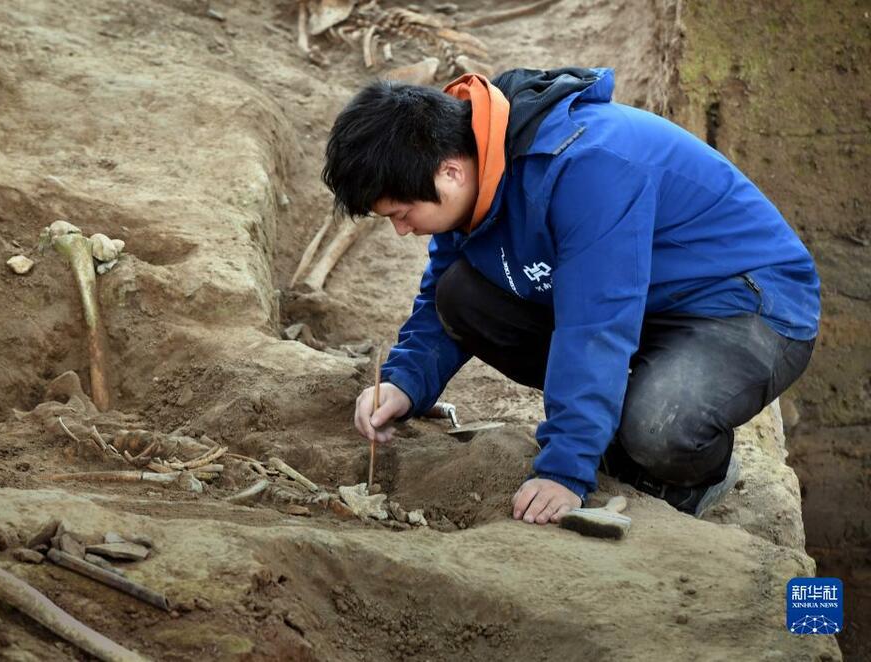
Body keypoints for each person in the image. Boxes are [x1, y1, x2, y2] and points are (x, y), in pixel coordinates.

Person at [322, 67, 820, 525]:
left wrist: (564, 471)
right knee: (462, 297)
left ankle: (692, 476)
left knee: (657, 429)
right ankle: (616, 416)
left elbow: (596, 326)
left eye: (401, 214)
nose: (401, 231)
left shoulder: (588, 167)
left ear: (449, 172)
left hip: (746, 302)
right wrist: (405, 383)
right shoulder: (479, 162)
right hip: (647, 302)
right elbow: (441, 295)